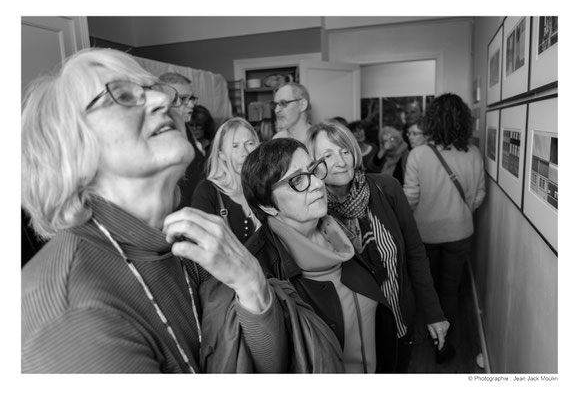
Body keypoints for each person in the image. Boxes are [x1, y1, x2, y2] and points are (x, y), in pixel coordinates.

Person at [21, 48, 342, 373]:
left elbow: (269, 364)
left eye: (154, 90)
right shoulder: (71, 312)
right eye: (122, 95)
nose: (163, 102)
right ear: (70, 148)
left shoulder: (182, 244)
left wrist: (251, 281)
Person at [242, 138, 398, 374]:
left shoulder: (339, 230)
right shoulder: (257, 270)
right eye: (297, 180)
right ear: (267, 205)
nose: (317, 184)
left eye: (314, 170)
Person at [306, 120, 449, 372]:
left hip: (399, 320)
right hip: (352, 339)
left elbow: (415, 254)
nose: (341, 161)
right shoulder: (313, 210)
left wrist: (434, 312)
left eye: (345, 151)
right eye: (327, 155)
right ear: (312, 165)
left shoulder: (387, 188)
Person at [403, 93, 486, 354]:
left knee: (428, 288)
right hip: (460, 232)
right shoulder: (473, 153)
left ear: (432, 121)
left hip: (425, 235)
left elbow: (410, 199)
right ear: (463, 120)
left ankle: (430, 335)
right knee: (450, 289)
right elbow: (479, 193)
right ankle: (444, 344)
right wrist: (460, 213)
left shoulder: (418, 154)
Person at [192, 117, 261, 243]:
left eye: (250, 144)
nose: (244, 152)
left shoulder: (265, 187)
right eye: (235, 146)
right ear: (221, 154)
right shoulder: (207, 191)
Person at [159, 72, 206, 209]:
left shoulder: (187, 131)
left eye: (191, 99)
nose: (191, 105)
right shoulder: (161, 137)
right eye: (183, 98)